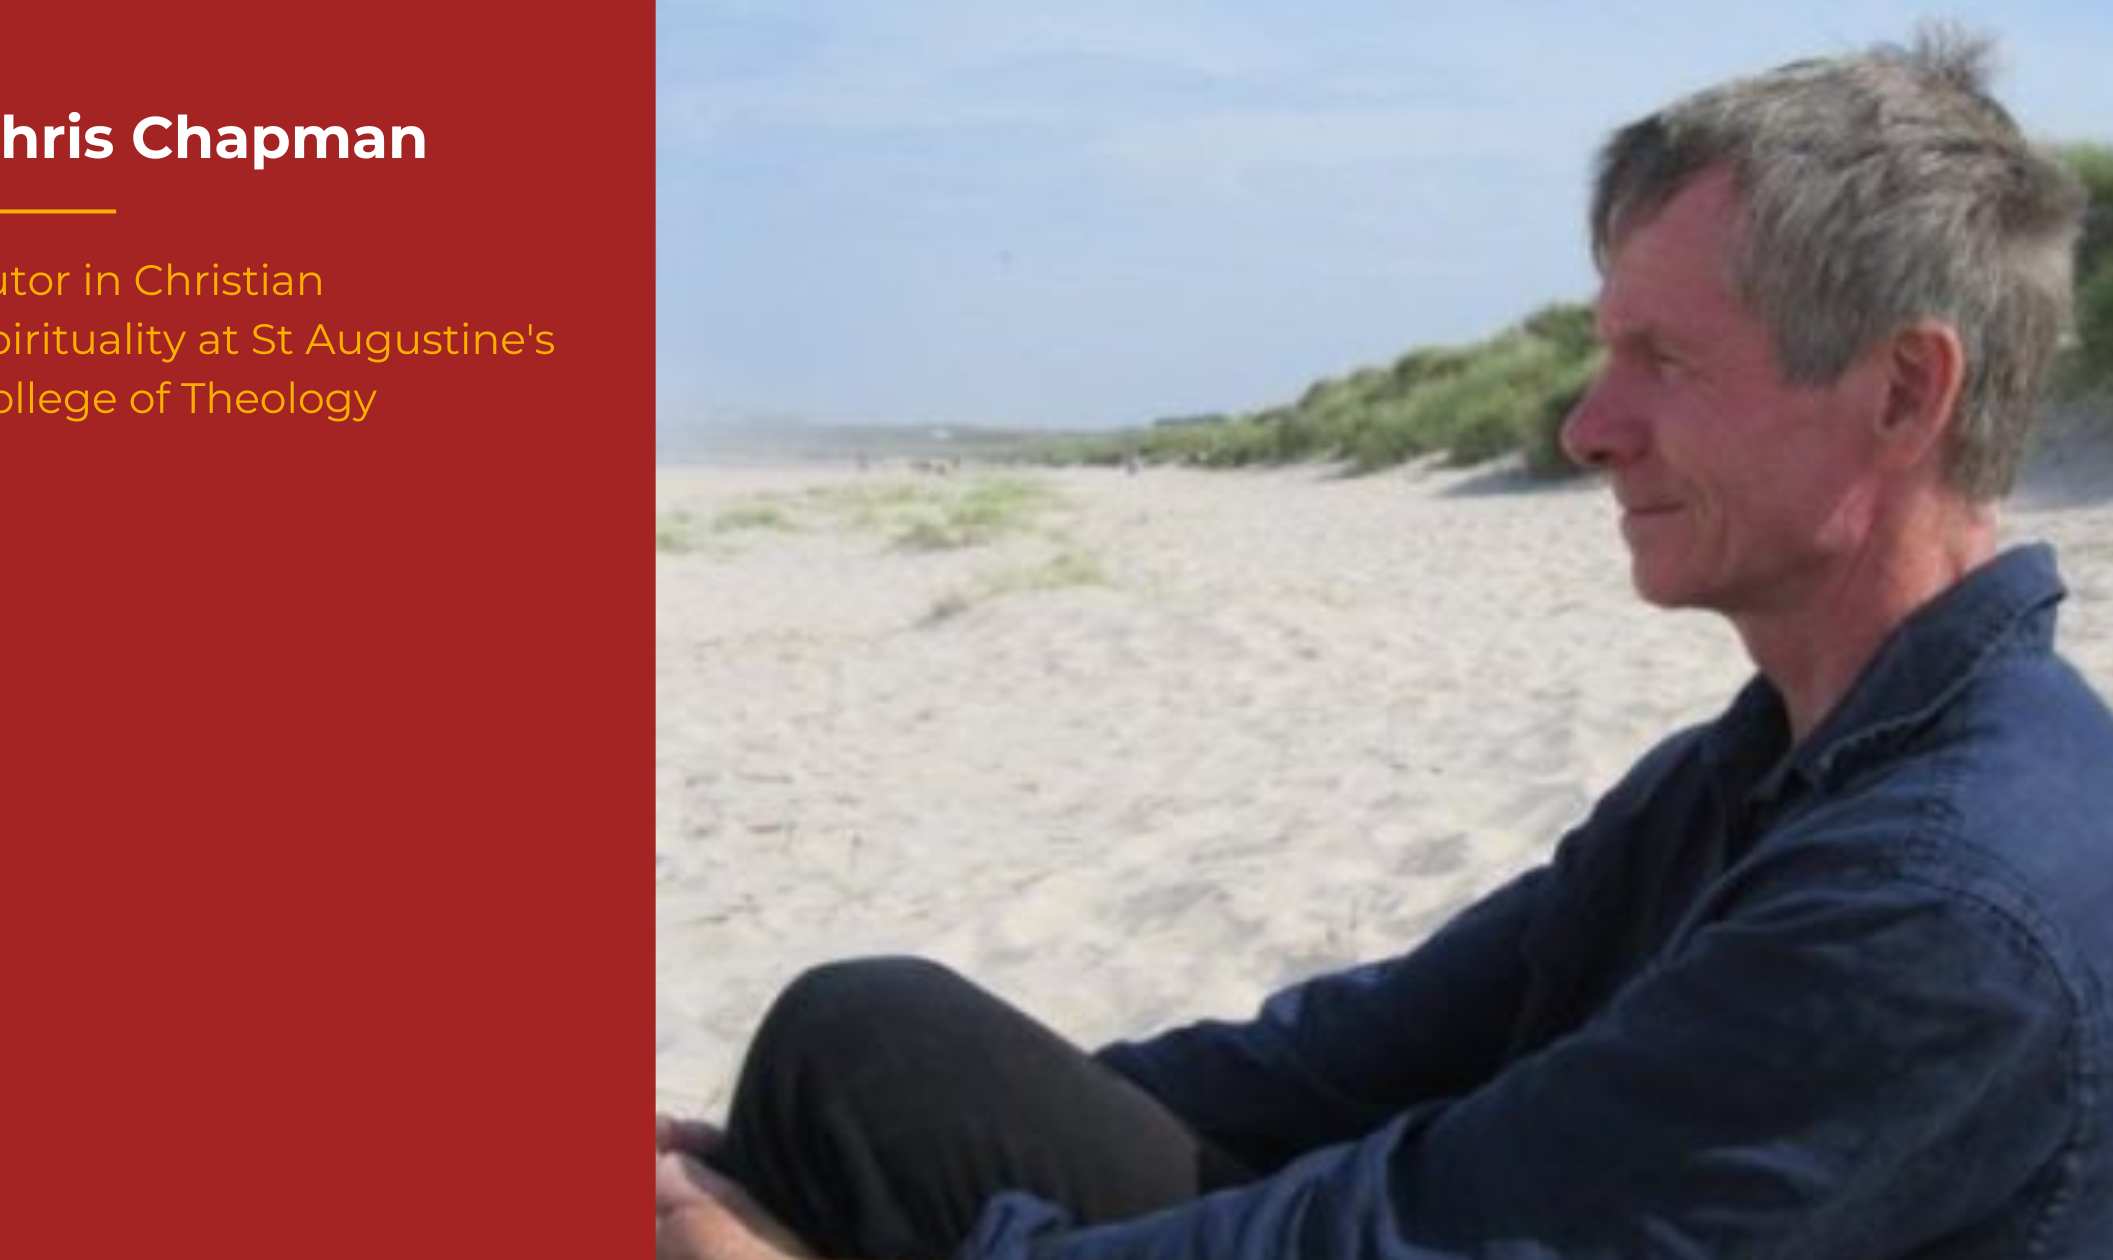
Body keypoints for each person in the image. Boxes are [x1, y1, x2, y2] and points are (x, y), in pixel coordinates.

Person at [657, 29, 2113, 1259]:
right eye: (1605, 352)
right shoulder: (1755, 768)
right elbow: (1344, 1057)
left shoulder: (1945, 905)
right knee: (868, 1053)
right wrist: (807, 1167)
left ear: (1905, 392)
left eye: (1663, 362)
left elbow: (1429, 1231)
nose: (1587, 428)